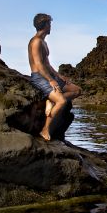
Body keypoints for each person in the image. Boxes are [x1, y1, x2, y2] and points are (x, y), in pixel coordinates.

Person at [28, 13, 81, 141]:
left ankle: (51, 101)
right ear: (45, 25)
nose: (51, 27)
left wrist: (58, 76)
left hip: (48, 75)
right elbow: (40, 66)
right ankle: (45, 130)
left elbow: (47, 64)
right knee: (61, 101)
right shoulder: (35, 42)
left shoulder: (43, 42)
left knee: (77, 90)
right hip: (39, 77)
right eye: (49, 24)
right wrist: (51, 80)